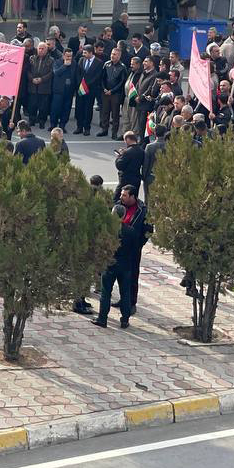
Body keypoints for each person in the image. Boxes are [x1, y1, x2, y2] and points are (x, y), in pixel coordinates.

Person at [93, 186, 150, 329]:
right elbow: (135, 245)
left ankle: (102, 319)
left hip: (110, 263)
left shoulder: (109, 230)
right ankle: (125, 320)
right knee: (125, 292)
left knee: (106, 292)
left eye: (124, 195)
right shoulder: (131, 231)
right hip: (125, 264)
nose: (121, 197)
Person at [115, 130, 144, 196]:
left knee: (117, 198)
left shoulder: (127, 152)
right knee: (133, 197)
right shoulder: (141, 151)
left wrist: (119, 157)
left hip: (126, 179)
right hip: (136, 178)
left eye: (125, 140)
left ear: (128, 139)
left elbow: (119, 165)